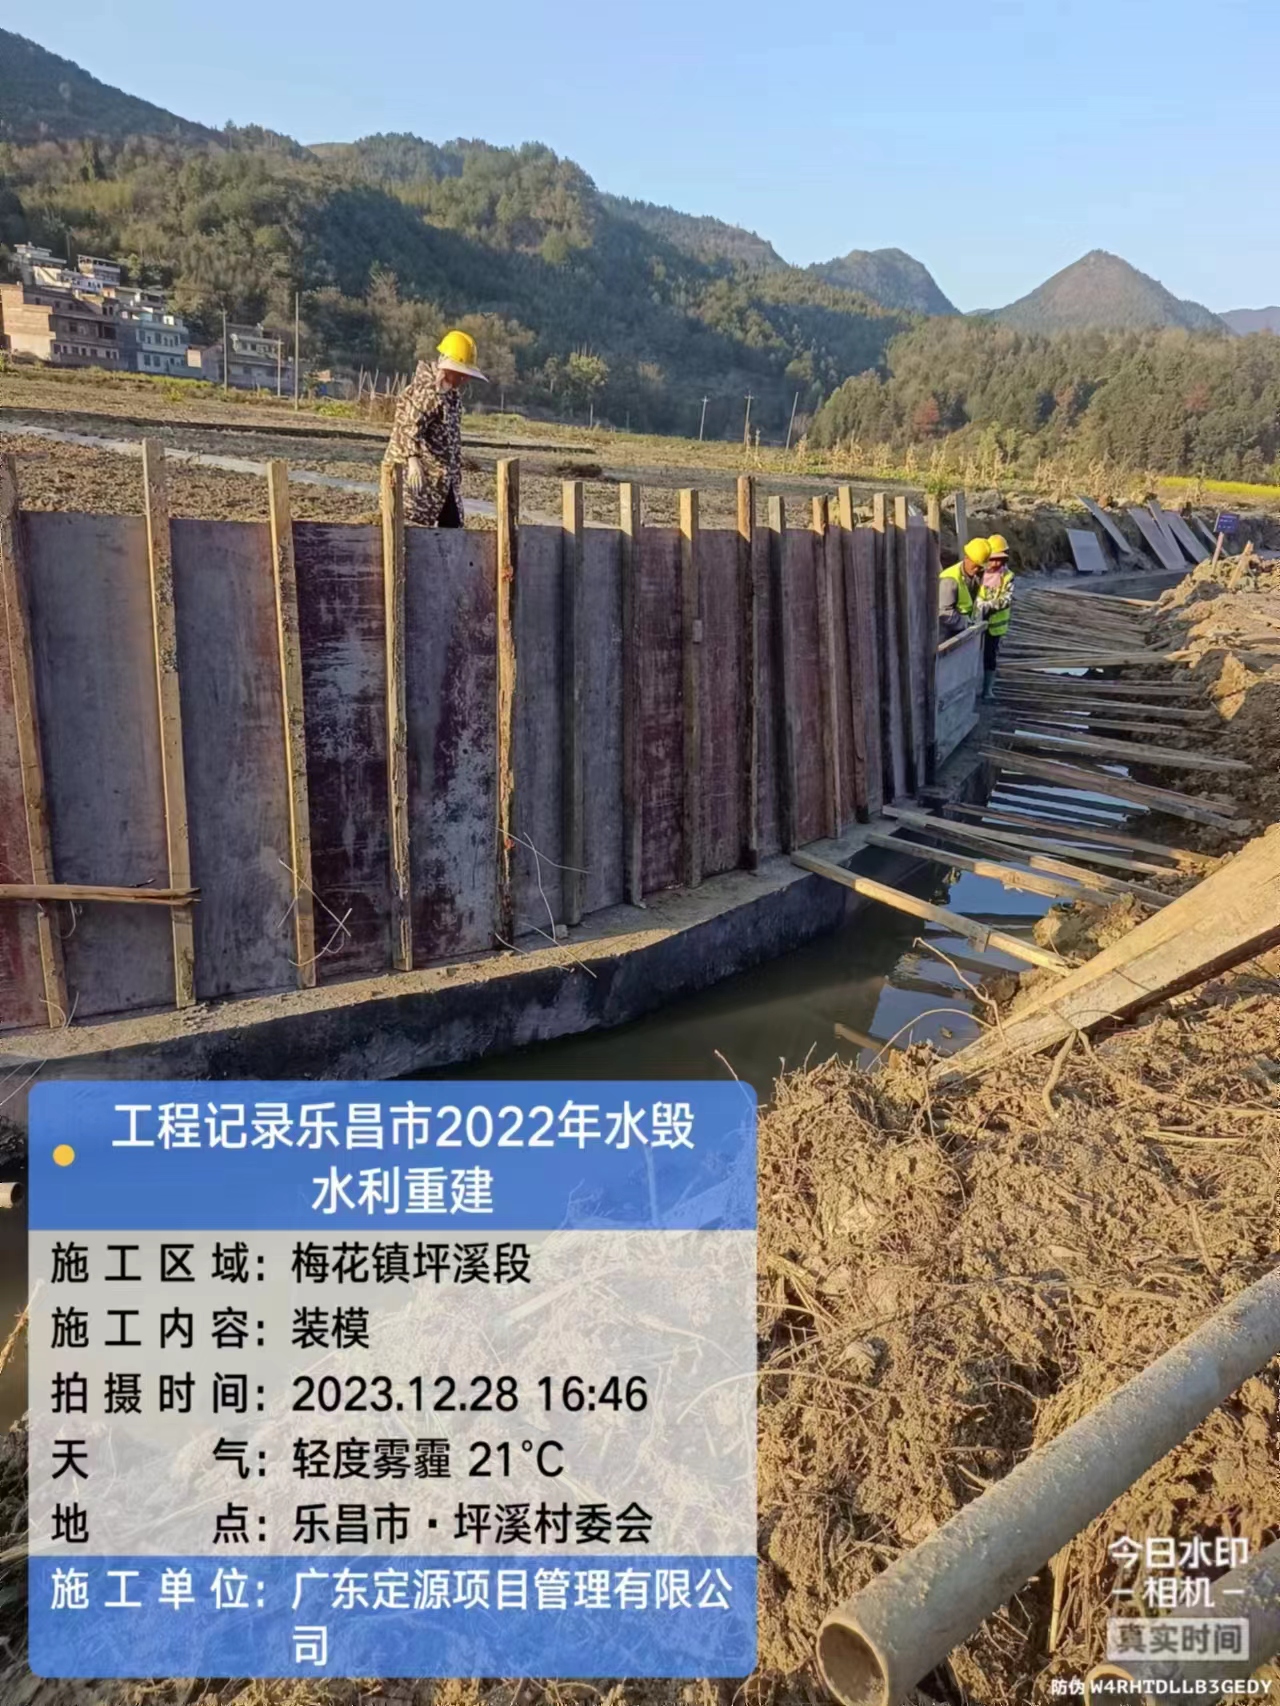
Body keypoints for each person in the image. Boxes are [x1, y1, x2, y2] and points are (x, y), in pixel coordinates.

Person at [383, 329, 487, 527]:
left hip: (443, 480)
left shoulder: (451, 395)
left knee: (452, 528)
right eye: (461, 373)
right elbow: (408, 426)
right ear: (448, 368)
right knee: (412, 527)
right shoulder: (427, 392)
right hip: (420, 479)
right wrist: (413, 460)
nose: (465, 379)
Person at [975, 534, 1014, 700]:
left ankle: (987, 689)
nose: (996, 563)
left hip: (995, 626)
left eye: (1000, 560)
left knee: (989, 657)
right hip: (976, 622)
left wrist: (988, 606)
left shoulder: (1007, 576)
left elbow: (1006, 599)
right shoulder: (979, 573)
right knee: (974, 655)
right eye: (993, 559)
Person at [938, 537, 992, 639]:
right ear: (966, 558)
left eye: (980, 567)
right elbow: (944, 613)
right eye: (975, 566)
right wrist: (967, 623)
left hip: (965, 633)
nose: (976, 570)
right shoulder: (949, 580)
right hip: (949, 637)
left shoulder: (978, 576)